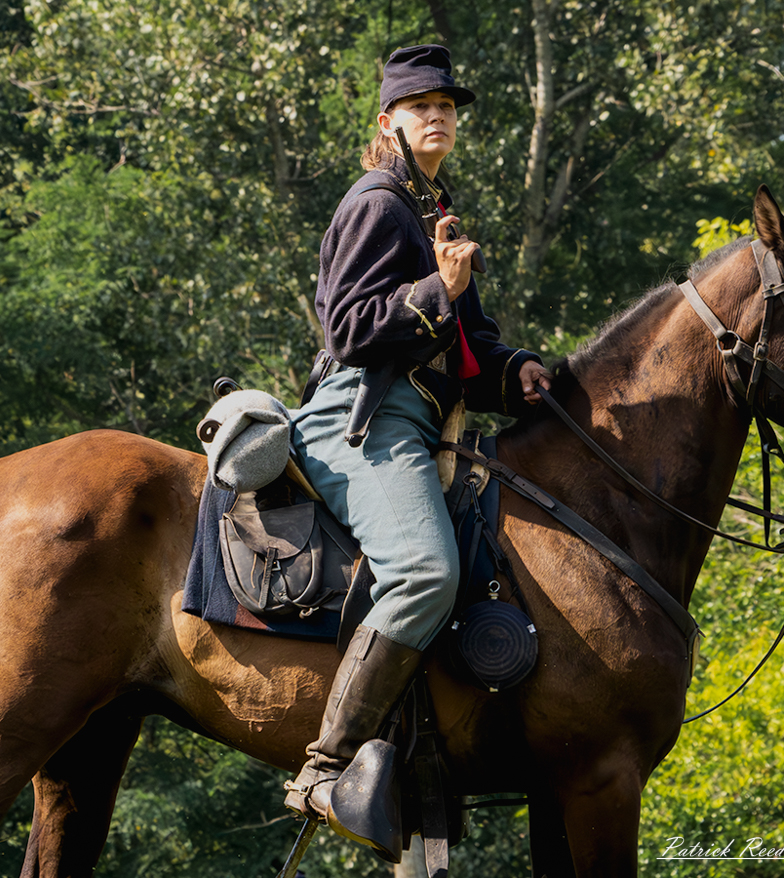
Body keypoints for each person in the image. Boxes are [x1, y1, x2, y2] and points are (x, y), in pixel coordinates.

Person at [283, 44, 550, 844]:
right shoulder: (377, 201)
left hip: (429, 421)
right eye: (420, 105)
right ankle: (325, 772)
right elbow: (349, 328)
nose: (438, 115)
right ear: (388, 122)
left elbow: (472, 353)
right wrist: (443, 289)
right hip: (365, 417)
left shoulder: (438, 216)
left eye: (448, 106)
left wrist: (525, 372)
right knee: (427, 571)